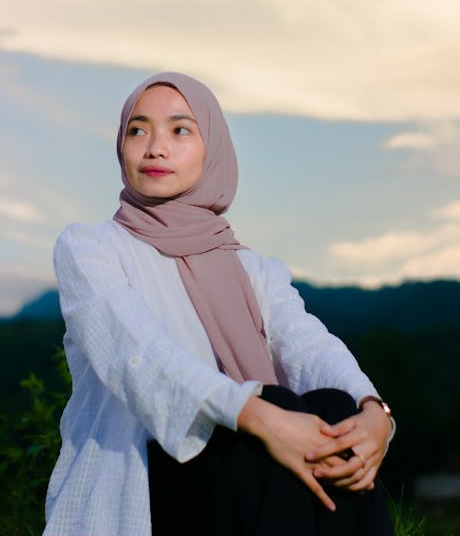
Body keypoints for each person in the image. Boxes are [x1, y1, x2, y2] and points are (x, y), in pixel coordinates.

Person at [44, 72, 395, 536]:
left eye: (180, 130)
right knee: (268, 410)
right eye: (138, 129)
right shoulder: (91, 249)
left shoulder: (251, 268)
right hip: (150, 481)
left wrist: (373, 413)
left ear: (213, 149)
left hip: (249, 480)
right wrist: (257, 416)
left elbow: (308, 346)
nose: (155, 147)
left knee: (334, 404)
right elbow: (139, 358)